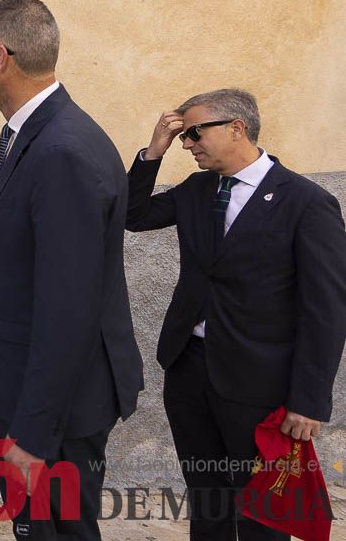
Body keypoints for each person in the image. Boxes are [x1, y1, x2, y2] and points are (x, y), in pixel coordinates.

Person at [0, 0, 143, 539]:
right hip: (41, 397)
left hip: (58, 411)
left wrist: (34, 436)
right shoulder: (33, 132)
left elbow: (69, 310)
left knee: (59, 531)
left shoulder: (63, 150)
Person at [126, 88, 346, 540]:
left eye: (193, 133)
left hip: (258, 381)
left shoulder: (307, 203)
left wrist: (309, 401)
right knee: (207, 497)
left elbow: (326, 311)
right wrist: (153, 152)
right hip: (189, 368)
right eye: (183, 136)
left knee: (261, 508)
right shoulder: (197, 189)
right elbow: (134, 215)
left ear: (236, 128)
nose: (187, 143)